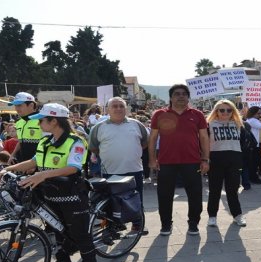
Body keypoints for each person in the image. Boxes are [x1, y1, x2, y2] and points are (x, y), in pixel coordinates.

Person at [0, 103, 98, 262]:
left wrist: (42, 175)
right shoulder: (45, 141)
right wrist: (7, 169)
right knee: (58, 231)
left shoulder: (76, 141)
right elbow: (33, 162)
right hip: (50, 195)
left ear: (54, 121)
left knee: (80, 234)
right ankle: (64, 261)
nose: (39, 124)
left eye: (42, 120)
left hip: (72, 195)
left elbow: (73, 168)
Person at [148, 84, 209, 236]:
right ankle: (166, 224)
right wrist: (152, 159)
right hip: (166, 162)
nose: (181, 96)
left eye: (184, 94)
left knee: (195, 195)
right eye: (177, 94)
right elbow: (153, 138)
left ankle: (193, 223)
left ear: (188, 97)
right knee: (164, 195)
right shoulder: (159, 114)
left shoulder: (198, 115)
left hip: (192, 161)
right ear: (171, 97)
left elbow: (204, 137)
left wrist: (205, 159)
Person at [88, 97, 149, 234]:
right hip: (110, 171)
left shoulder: (137, 125)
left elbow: (145, 143)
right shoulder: (99, 127)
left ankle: (138, 225)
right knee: (111, 201)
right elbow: (94, 147)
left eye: (121, 106)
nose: (118, 108)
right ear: (108, 110)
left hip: (134, 169)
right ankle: (113, 226)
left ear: (126, 109)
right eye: (114, 106)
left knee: (136, 199)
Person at [205, 99, 247, 227]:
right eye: (221, 110)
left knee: (232, 190)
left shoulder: (239, 124)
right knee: (214, 190)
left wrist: (242, 161)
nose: (225, 112)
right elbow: (204, 143)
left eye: (229, 110)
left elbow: (243, 144)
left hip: (234, 160)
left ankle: (237, 215)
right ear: (216, 111)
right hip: (216, 159)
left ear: (233, 111)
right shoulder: (209, 125)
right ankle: (212, 216)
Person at [8, 92, 42, 164]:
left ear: (31, 105)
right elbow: (21, 141)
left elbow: (49, 144)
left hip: (39, 163)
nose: (16, 108)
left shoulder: (43, 120)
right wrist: (12, 155)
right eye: (15, 106)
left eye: (19, 105)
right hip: (23, 163)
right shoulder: (19, 123)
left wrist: (34, 163)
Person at [242, 106, 261, 183]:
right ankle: (253, 178)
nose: (260, 114)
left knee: (255, 162)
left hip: (255, 144)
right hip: (253, 145)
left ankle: (253, 177)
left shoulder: (253, 120)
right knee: (254, 163)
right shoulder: (253, 120)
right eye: (259, 113)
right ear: (253, 113)